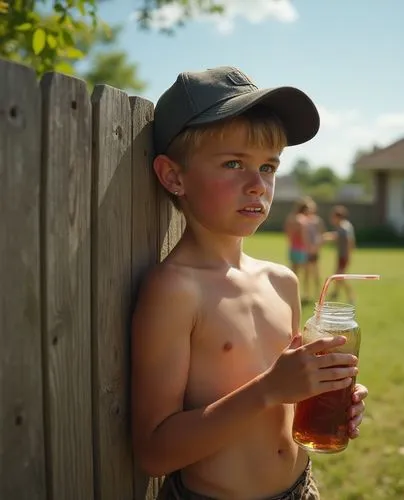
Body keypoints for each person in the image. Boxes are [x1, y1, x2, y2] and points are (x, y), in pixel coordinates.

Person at [131, 66, 368, 500]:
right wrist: (268, 390)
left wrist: (325, 396)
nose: (257, 185)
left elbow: (290, 393)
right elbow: (154, 453)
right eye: (234, 163)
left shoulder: (282, 281)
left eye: (268, 166)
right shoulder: (174, 290)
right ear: (173, 176)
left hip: (302, 487)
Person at [324, 205, 356, 304]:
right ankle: (335, 293)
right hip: (341, 255)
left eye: (333, 217)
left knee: (341, 277)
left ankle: (351, 296)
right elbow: (337, 236)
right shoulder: (344, 225)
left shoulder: (343, 227)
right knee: (338, 275)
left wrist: (348, 256)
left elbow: (349, 241)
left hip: (343, 256)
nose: (332, 219)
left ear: (338, 217)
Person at [283, 197, 311, 290]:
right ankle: (305, 293)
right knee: (306, 272)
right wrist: (308, 248)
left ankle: (290, 290)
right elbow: (304, 236)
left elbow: (287, 232)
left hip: (293, 247)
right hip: (301, 248)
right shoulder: (302, 219)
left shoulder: (291, 218)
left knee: (293, 272)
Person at [303, 198, 326, 302]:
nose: (309, 210)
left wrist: (317, 246)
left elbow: (322, 235)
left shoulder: (317, 221)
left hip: (315, 251)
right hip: (306, 251)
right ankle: (306, 294)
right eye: (307, 208)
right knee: (306, 274)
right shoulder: (304, 221)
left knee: (316, 274)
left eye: (311, 208)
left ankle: (319, 294)